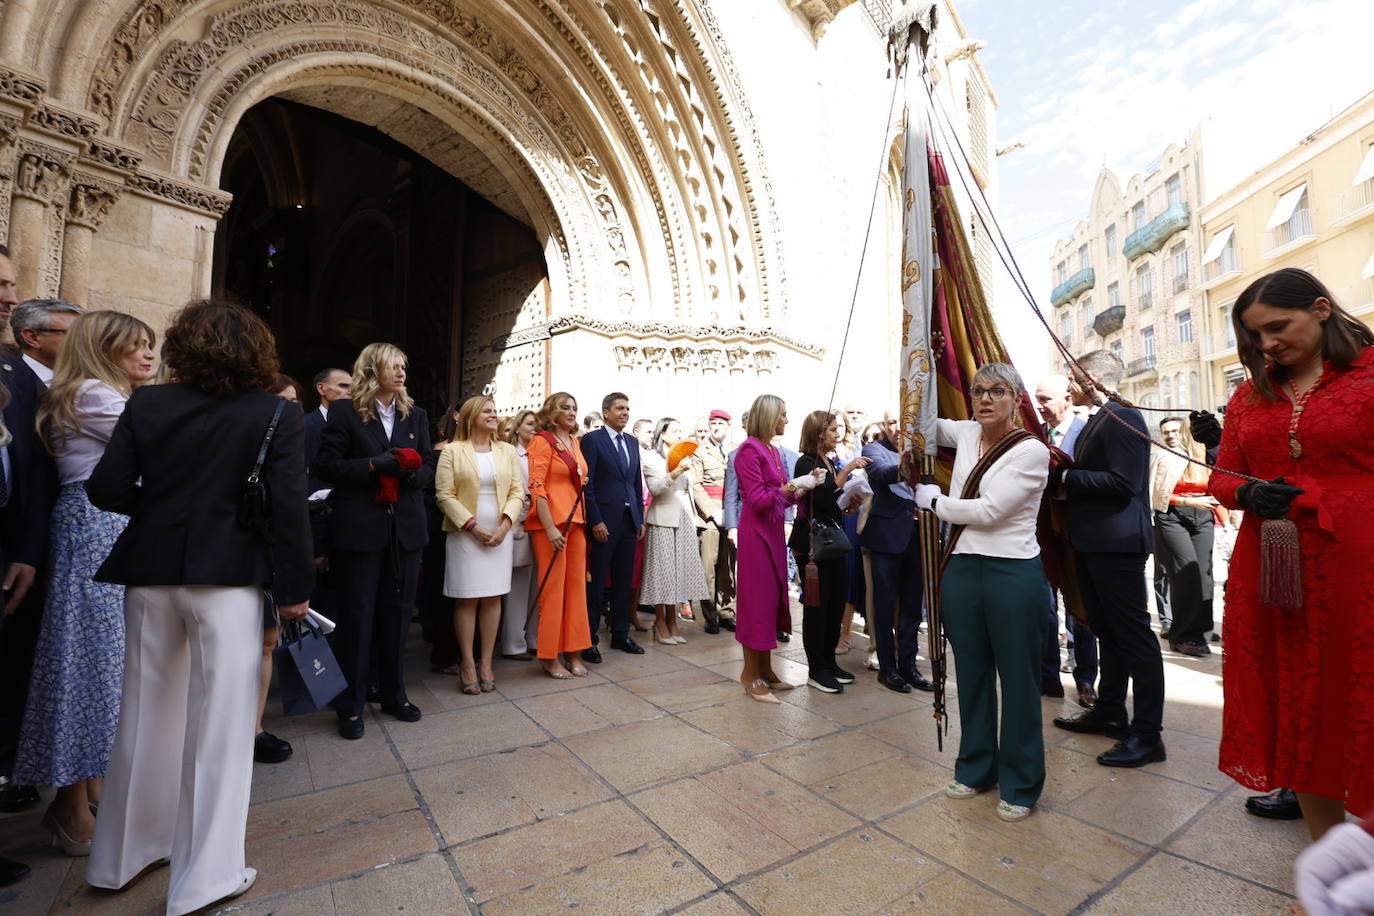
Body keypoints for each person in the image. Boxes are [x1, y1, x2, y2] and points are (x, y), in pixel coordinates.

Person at [84, 299, 312, 915]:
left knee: (143, 712)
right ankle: (206, 877)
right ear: (255, 352)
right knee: (221, 725)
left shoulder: (149, 403)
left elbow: (104, 489)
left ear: (184, 346)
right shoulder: (275, 414)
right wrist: (294, 590)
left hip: (151, 572)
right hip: (229, 579)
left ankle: (120, 859)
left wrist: (165, 514)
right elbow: (288, 509)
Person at [1201, 267, 1374, 841]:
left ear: (1322, 309)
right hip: (1275, 569)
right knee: (1298, 703)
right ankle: (1331, 868)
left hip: (1359, 564)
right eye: (1255, 337)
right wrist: (1247, 491)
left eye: (1278, 327)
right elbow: (1223, 477)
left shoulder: (1371, 376)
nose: (1267, 344)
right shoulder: (1251, 395)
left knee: (1359, 699)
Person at [15, 311, 155, 854]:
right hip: (96, 529)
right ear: (102, 351)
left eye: (150, 345)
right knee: (89, 667)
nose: (148, 355)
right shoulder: (95, 395)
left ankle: (92, 789)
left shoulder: (94, 392)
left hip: (106, 529)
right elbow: (159, 450)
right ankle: (70, 807)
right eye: (134, 347)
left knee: (106, 666)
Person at [914, 364, 1052, 822]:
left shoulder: (1031, 451)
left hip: (1012, 573)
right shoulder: (968, 433)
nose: (986, 399)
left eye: (997, 391)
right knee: (970, 674)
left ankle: (1021, 782)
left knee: (1017, 681)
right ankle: (976, 768)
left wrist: (934, 501)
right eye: (978, 391)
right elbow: (919, 418)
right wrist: (919, 358)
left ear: (1015, 398)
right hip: (962, 570)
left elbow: (990, 511)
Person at [1051, 349, 1164, 769]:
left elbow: (1123, 481)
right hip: (1095, 542)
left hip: (1117, 544)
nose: (1068, 387)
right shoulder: (1099, 418)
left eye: (1073, 379)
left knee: (1134, 638)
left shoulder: (1123, 416)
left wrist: (1063, 476)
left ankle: (1149, 735)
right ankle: (1111, 712)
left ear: (1093, 378)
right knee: (1108, 634)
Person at [315, 342, 433, 740]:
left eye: (404, 366)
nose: (401, 373)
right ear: (372, 369)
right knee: (357, 616)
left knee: (398, 613)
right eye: (393, 366)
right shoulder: (346, 412)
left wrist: (414, 474)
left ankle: (393, 693)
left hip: (405, 529)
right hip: (360, 529)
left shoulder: (415, 414)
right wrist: (371, 466)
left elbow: (429, 464)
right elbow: (326, 466)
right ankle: (350, 703)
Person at [0, 268, 61, 824]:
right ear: (33, 336)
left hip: (31, 543)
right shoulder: (14, 377)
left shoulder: (46, 382)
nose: (10, 295)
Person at [733, 395, 823, 703]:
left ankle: (767, 669)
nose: (787, 420)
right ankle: (749, 674)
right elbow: (758, 499)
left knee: (771, 599)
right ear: (770, 417)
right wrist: (794, 485)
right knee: (756, 602)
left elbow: (783, 497)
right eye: (783, 415)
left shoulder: (771, 450)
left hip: (771, 531)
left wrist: (806, 484)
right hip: (756, 533)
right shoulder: (749, 450)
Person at [435, 396, 525, 694]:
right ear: (471, 416)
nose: (494, 415)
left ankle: (486, 661)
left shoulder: (507, 450)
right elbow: (444, 495)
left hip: (501, 534)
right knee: (467, 598)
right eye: (487, 411)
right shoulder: (452, 451)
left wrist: (504, 526)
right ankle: (467, 662)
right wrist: (472, 527)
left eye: (495, 411)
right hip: (465, 535)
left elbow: (516, 491)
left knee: (493, 598)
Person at [790, 410, 869, 693]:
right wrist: (848, 472)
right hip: (812, 542)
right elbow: (820, 497)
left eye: (839, 429)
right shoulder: (805, 462)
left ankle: (829, 662)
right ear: (818, 432)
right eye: (833, 429)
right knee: (817, 606)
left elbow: (833, 503)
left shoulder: (830, 461)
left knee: (835, 603)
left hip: (832, 538)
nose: (839, 433)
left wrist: (850, 503)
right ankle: (817, 668)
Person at [1033, 374, 1097, 707]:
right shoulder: (1035, 437)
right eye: (1037, 399)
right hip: (1043, 535)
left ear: (1068, 398)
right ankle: (1049, 677)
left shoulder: (1087, 433)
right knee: (1044, 608)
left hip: (1078, 534)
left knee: (1080, 610)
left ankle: (1086, 679)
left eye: (1045, 398)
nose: (1039, 405)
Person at [251, 377, 306, 766]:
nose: (290, 409)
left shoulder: (291, 438)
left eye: (294, 402)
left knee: (268, 641)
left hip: (273, 548)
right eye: (283, 401)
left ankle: (254, 728)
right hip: (242, 545)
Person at [860, 410, 932, 693]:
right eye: (890, 422)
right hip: (886, 537)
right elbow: (882, 473)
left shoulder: (927, 449)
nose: (896, 428)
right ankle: (887, 669)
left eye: (901, 422)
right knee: (885, 605)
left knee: (913, 606)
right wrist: (905, 462)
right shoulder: (874, 449)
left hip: (918, 536)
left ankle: (909, 666)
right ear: (883, 425)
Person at [526, 392, 592, 679]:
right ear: (551, 411)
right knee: (553, 591)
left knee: (577, 589)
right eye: (564, 407)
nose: (571, 412)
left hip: (576, 520)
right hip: (550, 525)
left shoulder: (575, 442)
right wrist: (551, 527)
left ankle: (574, 651)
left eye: (574, 408)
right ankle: (549, 656)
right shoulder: (541, 441)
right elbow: (537, 487)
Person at [581, 392, 646, 660]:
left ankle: (621, 634)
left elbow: (634, 482)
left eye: (627, 408)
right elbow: (588, 483)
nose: (625, 412)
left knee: (623, 582)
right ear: (606, 412)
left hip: (629, 523)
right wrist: (595, 519)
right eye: (620, 408)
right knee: (597, 586)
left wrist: (639, 519)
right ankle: (589, 640)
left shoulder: (632, 442)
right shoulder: (592, 440)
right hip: (603, 523)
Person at [1148, 416, 1218, 657]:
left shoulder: (1201, 455)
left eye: (1175, 430)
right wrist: (1190, 500)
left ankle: (1202, 628)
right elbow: (1158, 496)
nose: (1171, 435)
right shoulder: (1162, 457)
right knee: (1185, 573)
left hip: (1203, 515)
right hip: (1172, 516)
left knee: (1204, 573)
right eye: (1165, 431)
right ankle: (1183, 635)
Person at [640, 418, 710, 645]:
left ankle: (673, 621)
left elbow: (689, 489)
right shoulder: (652, 458)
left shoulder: (685, 457)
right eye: (675, 431)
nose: (680, 434)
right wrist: (676, 471)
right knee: (662, 574)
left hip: (683, 520)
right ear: (663, 434)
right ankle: (660, 622)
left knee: (678, 574)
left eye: (682, 430)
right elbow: (656, 488)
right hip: (662, 520)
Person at [690, 408, 735, 634]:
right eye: (713, 424)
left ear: (728, 426)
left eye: (720, 424)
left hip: (731, 514)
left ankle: (726, 610)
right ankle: (710, 615)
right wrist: (711, 511)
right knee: (709, 565)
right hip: (710, 516)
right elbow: (696, 485)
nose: (716, 427)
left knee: (728, 566)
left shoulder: (734, 450)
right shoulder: (701, 452)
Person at [501, 410, 539, 657]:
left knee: (537, 585)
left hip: (540, 525)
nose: (535, 428)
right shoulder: (510, 454)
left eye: (538, 424)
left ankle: (533, 638)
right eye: (529, 424)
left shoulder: (539, 452)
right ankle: (513, 643)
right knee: (518, 585)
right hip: (520, 524)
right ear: (517, 427)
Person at [9, 299, 84, 387]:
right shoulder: (9, 382)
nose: (84, 340)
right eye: (73, 333)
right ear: (33, 338)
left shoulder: (88, 383)